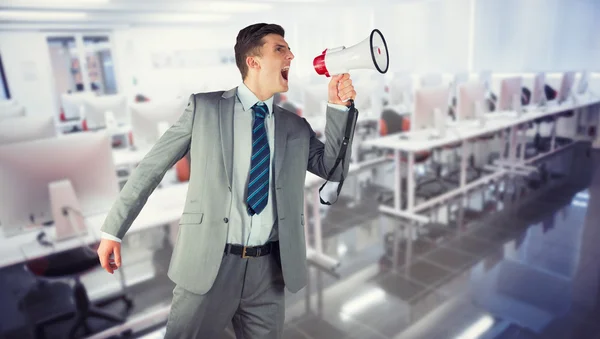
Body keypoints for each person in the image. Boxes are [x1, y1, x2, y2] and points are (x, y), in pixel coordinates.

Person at [97, 22, 358, 338]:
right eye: (281, 48)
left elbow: (333, 169)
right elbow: (151, 168)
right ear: (253, 61)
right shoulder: (205, 109)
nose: (292, 55)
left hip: (270, 272)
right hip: (210, 263)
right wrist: (114, 229)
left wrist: (337, 108)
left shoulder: (294, 126)